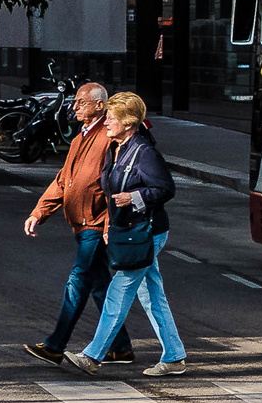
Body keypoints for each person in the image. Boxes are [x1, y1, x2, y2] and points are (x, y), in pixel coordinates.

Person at [64, 92, 187, 377]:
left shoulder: (143, 152)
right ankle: (174, 356)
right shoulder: (115, 148)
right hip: (128, 231)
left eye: (111, 117)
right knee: (152, 295)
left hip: (146, 233)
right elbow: (109, 192)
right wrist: (109, 222)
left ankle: (92, 356)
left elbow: (166, 189)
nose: (105, 121)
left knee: (118, 291)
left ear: (129, 123)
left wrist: (134, 197)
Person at [23, 83, 134, 368]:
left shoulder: (108, 137)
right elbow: (64, 180)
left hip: (95, 224)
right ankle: (120, 348)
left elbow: (117, 183)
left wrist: (110, 222)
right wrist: (40, 212)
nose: (75, 107)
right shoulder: (79, 138)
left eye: (81, 103)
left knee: (77, 281)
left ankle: (54, 345)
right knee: (98, 285)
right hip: (81, 223)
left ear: (99, 105)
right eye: (75, 102)